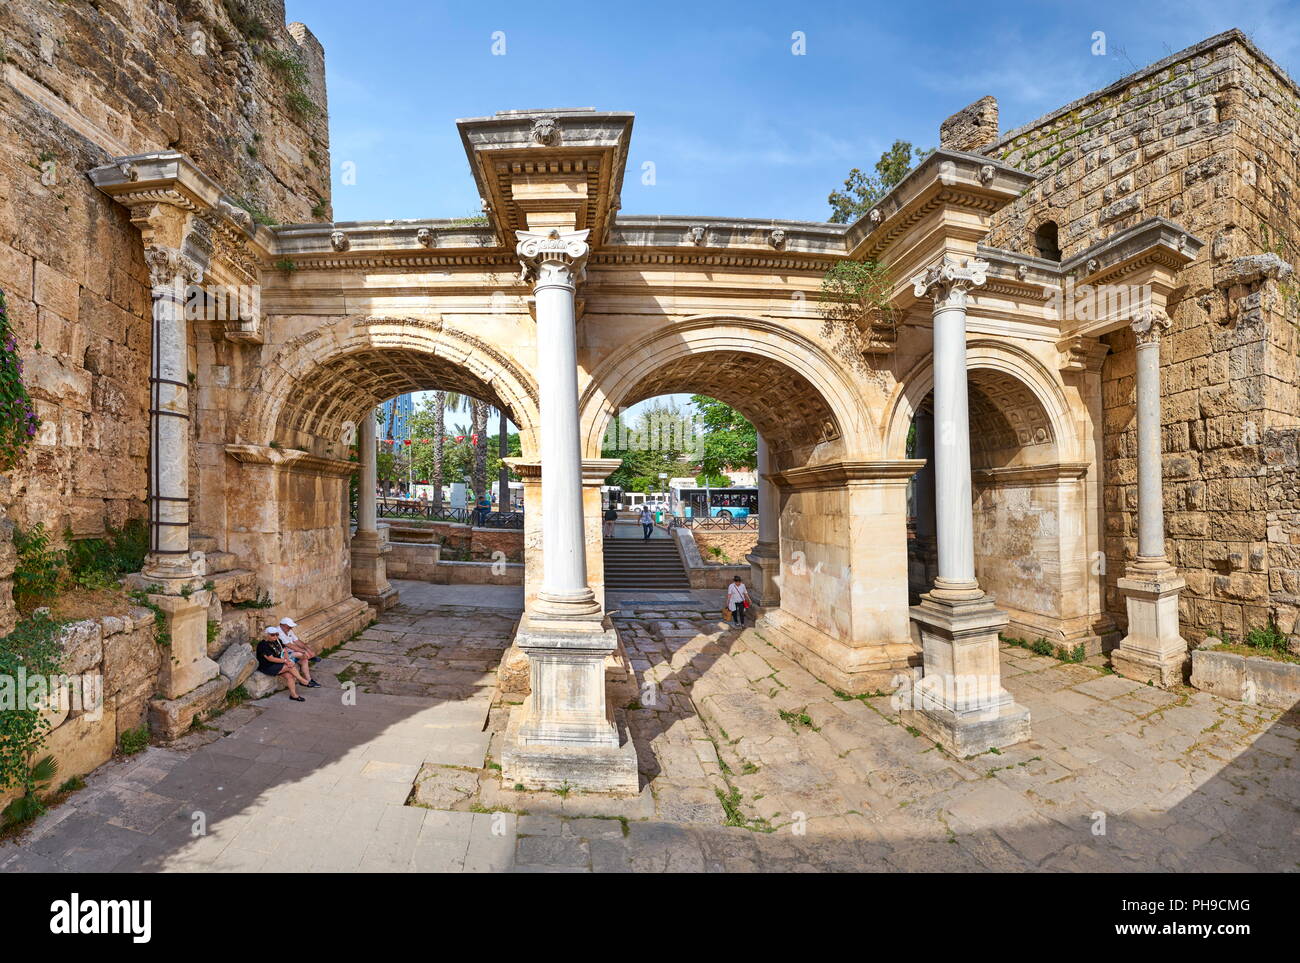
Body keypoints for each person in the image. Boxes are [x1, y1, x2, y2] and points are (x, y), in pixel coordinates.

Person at [256, 626, 313, 701]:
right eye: (272, 635)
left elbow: (285, 650)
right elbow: (271, 659)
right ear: (267, 635)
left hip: (278, 664)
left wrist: (287, 659)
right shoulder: (263, 645)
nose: (275, 636)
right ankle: (302, 680)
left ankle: (294, 695)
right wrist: (286, 661)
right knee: (290, 667)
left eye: (277, 634)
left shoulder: (277, 640)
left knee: (290, 676)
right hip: (267, 666)